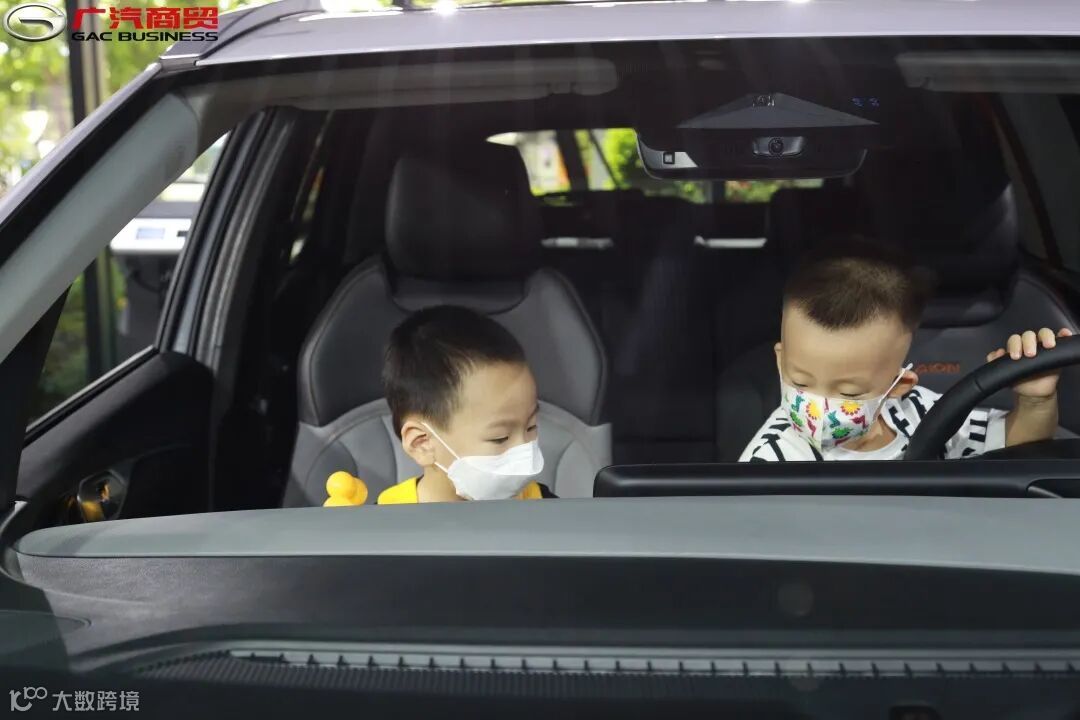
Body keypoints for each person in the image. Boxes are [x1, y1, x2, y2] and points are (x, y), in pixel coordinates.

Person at [740, 238, 1072, 462]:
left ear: (899, 386)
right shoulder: (771, 458)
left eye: (850, 392)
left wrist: (1035, 402)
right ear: (780, 361)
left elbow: (1013, 451)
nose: (818, 408)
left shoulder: (925, 414)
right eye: (800, 381)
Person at [375, 305, 554, 503]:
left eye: (531, 427)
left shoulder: (549, 510)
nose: (525, 452)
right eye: (500, 438)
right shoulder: (382, 519)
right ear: (422, 443)